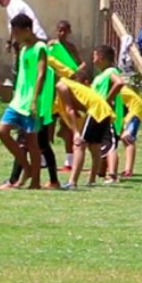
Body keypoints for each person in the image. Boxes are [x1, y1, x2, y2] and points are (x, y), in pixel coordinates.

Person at [0, 13, 52, 190]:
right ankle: (26, 168)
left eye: (17, 32)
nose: (15, 36)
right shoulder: (24, 49)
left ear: (27, 30)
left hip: (31, 102)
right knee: (2, 132)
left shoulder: (40, 47)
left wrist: (35, 100)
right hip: (18, 101)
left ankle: (35, 182)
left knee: (32, 142)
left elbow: (41, 74)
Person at [54, 78, 114, 190]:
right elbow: (76, 111)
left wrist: (76, 132)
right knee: (95, 147)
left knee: (78, 146)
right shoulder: (69, 85)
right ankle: (91, 180)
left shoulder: (61, 85)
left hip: (95, 110)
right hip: (104, 109)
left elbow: (70, 109)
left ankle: (72, 182)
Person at [48, 20, 85, 172]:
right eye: (60, 30)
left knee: (68, 125)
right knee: (48, 123)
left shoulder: (71, 48)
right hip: (53, 89)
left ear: (69, 31)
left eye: (65, 30)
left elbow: (82, 64)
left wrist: (76, 72)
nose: (62, 33)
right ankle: (45, 157)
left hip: (67, 87)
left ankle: (69, 161)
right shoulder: (52, 46)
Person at [0, 0, 47, 77]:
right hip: (30, 39)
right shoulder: (12, 5)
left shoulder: (13, 5)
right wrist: (11, 41)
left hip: (34, 39)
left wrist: (14, 42)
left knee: (34, 69)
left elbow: (17, 25)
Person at [90, 45, 125, 183]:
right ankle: (102, 172)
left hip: (108, 114)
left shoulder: (111, 71)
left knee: (109, 144)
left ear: (101, 57)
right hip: (98, 114)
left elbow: (119, 83)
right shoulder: (101, 75)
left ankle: (112, 174)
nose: (93, 59)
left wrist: (107, 100)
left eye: (94, 56)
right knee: (100, 143)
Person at [116, 85, 142, 179]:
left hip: (135, 111)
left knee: (128, 138)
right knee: (124, 137)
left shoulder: (116, 89)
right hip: (130, 111)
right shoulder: (118, 89)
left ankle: (128, 170)